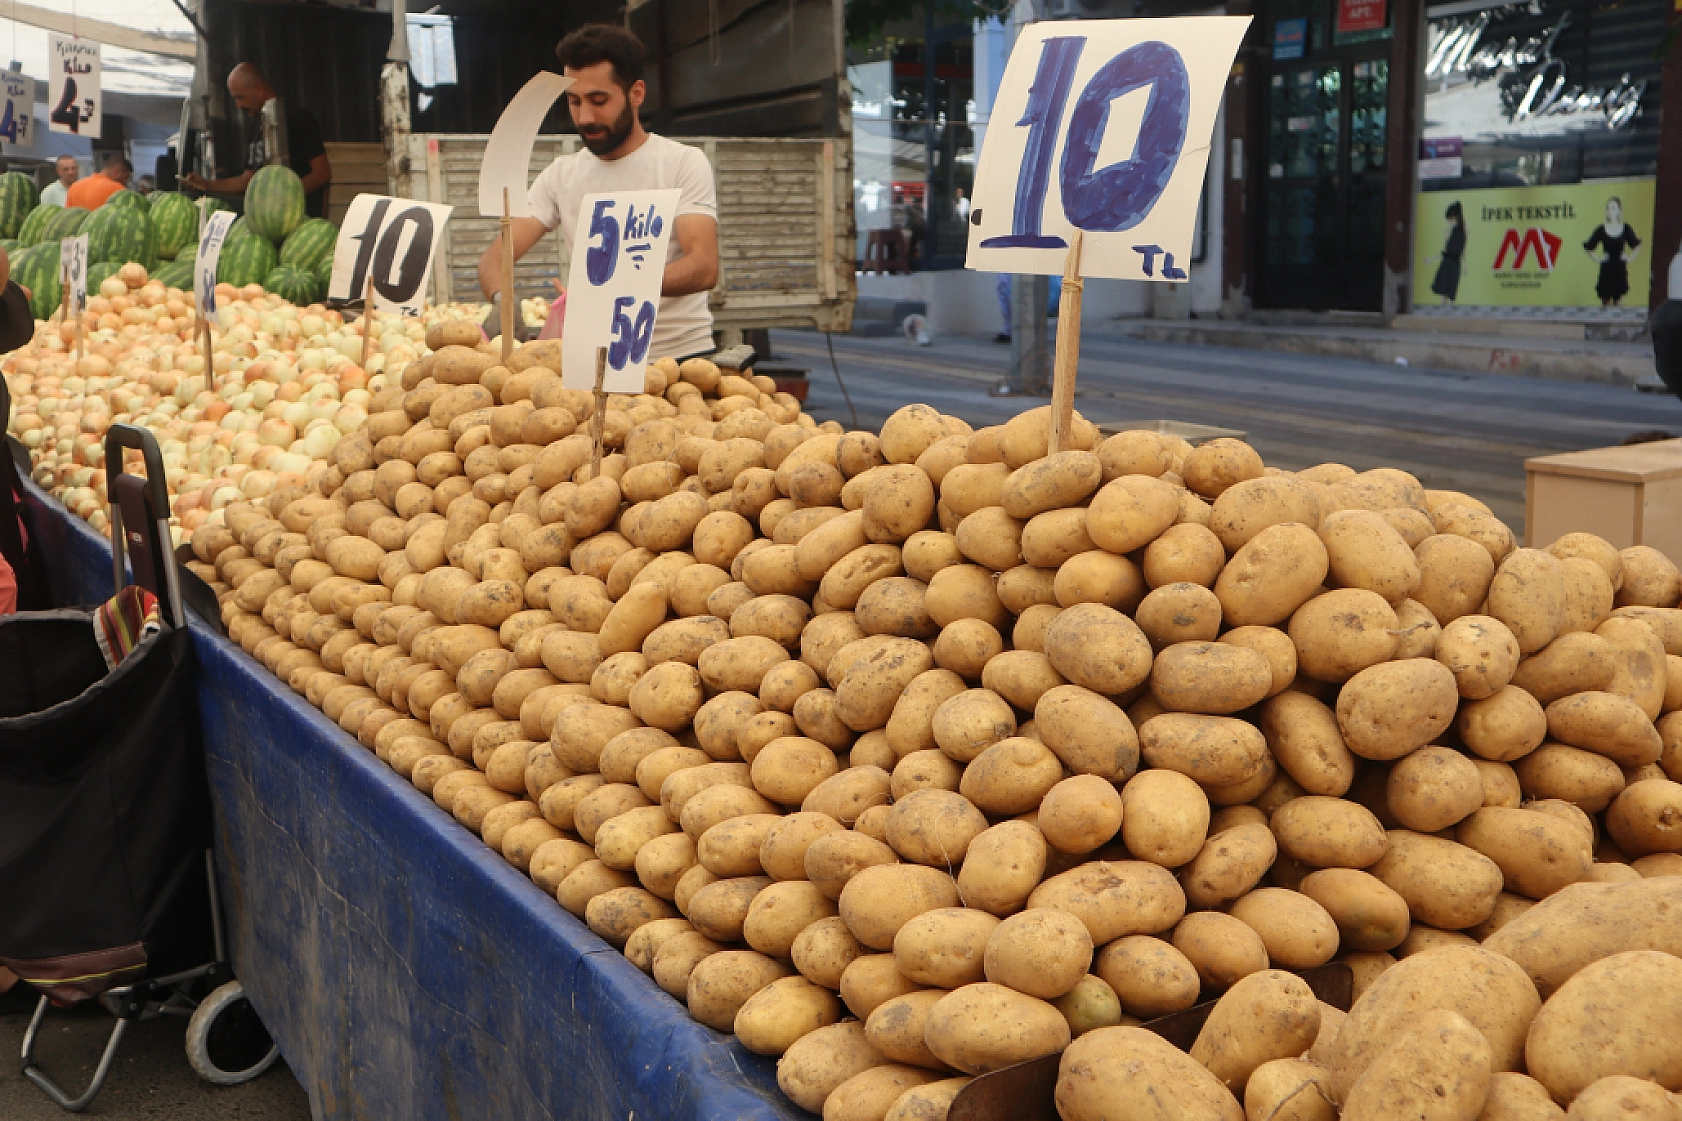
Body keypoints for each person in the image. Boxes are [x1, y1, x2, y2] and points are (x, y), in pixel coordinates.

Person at [476, 24, 719, 362]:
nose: (585, 116)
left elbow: (704, 266)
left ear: (636, 93)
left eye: (599, 100)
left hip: (679, 360)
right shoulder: (561, 175)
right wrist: (502, 299)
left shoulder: (681, 164)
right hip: (597, 366)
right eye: (574, 102)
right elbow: (495, 257)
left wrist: (612, 285)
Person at [181, 62, 331, 218]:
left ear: (258, 89)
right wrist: (206, 184)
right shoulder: (255, 125)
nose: (238, 105)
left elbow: (321, 174)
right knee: (195, 200)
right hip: (261, 208)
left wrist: (287, 196)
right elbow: (247, 180)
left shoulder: (297, 118)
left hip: (293, 212)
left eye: (241, 97)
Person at [1584, 197, 1641, 307]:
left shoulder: (1625, 228)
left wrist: (1629, 258)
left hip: (1619, 269)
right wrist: (1598, 259)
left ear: (1619, 211)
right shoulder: (1601, 229)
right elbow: (1588, 247)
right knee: (1605, 302)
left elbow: (1636, 245)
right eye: (1608, 208)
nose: (1610, 211)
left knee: (1618, 302)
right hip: (1606, 270)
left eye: (1613, 208)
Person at [65, 154, 130, 210]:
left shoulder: (74, 187)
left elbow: (68, 217)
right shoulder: (117, 189)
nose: (126, 182)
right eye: (126, 177)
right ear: (117, 172)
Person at [1430, 201, 1466, 304]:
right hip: (1448, 261)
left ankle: (1449, 310)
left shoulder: (1462, 231)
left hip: (1453, 261)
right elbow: (1445, 250)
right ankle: (1444, 310)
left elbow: (1462, 250)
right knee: (1444, 290)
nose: (1451, 221)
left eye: (1451, 219)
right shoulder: (1449, 231)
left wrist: (1465, 266)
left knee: (1451, 289)